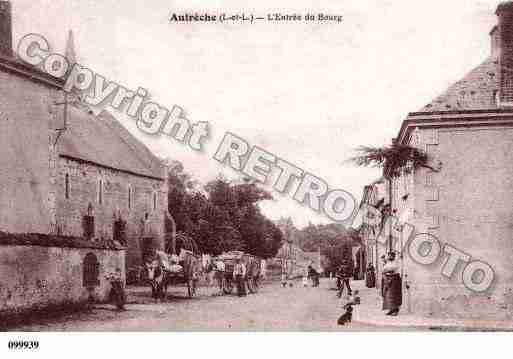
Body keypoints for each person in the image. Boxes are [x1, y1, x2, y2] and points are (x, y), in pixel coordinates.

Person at [382, 252, 402, 316]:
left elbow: (394, 269)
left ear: (393, 256)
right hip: (387, 279)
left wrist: (388, 270)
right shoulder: (387, 263)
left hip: (394, 279)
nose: (389, 257)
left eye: (391, 256)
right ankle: (391, 309)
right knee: (387, 295)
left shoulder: (396, 262)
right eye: (389, 256)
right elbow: (384, 270)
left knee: (394, 295)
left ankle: (396, 310)